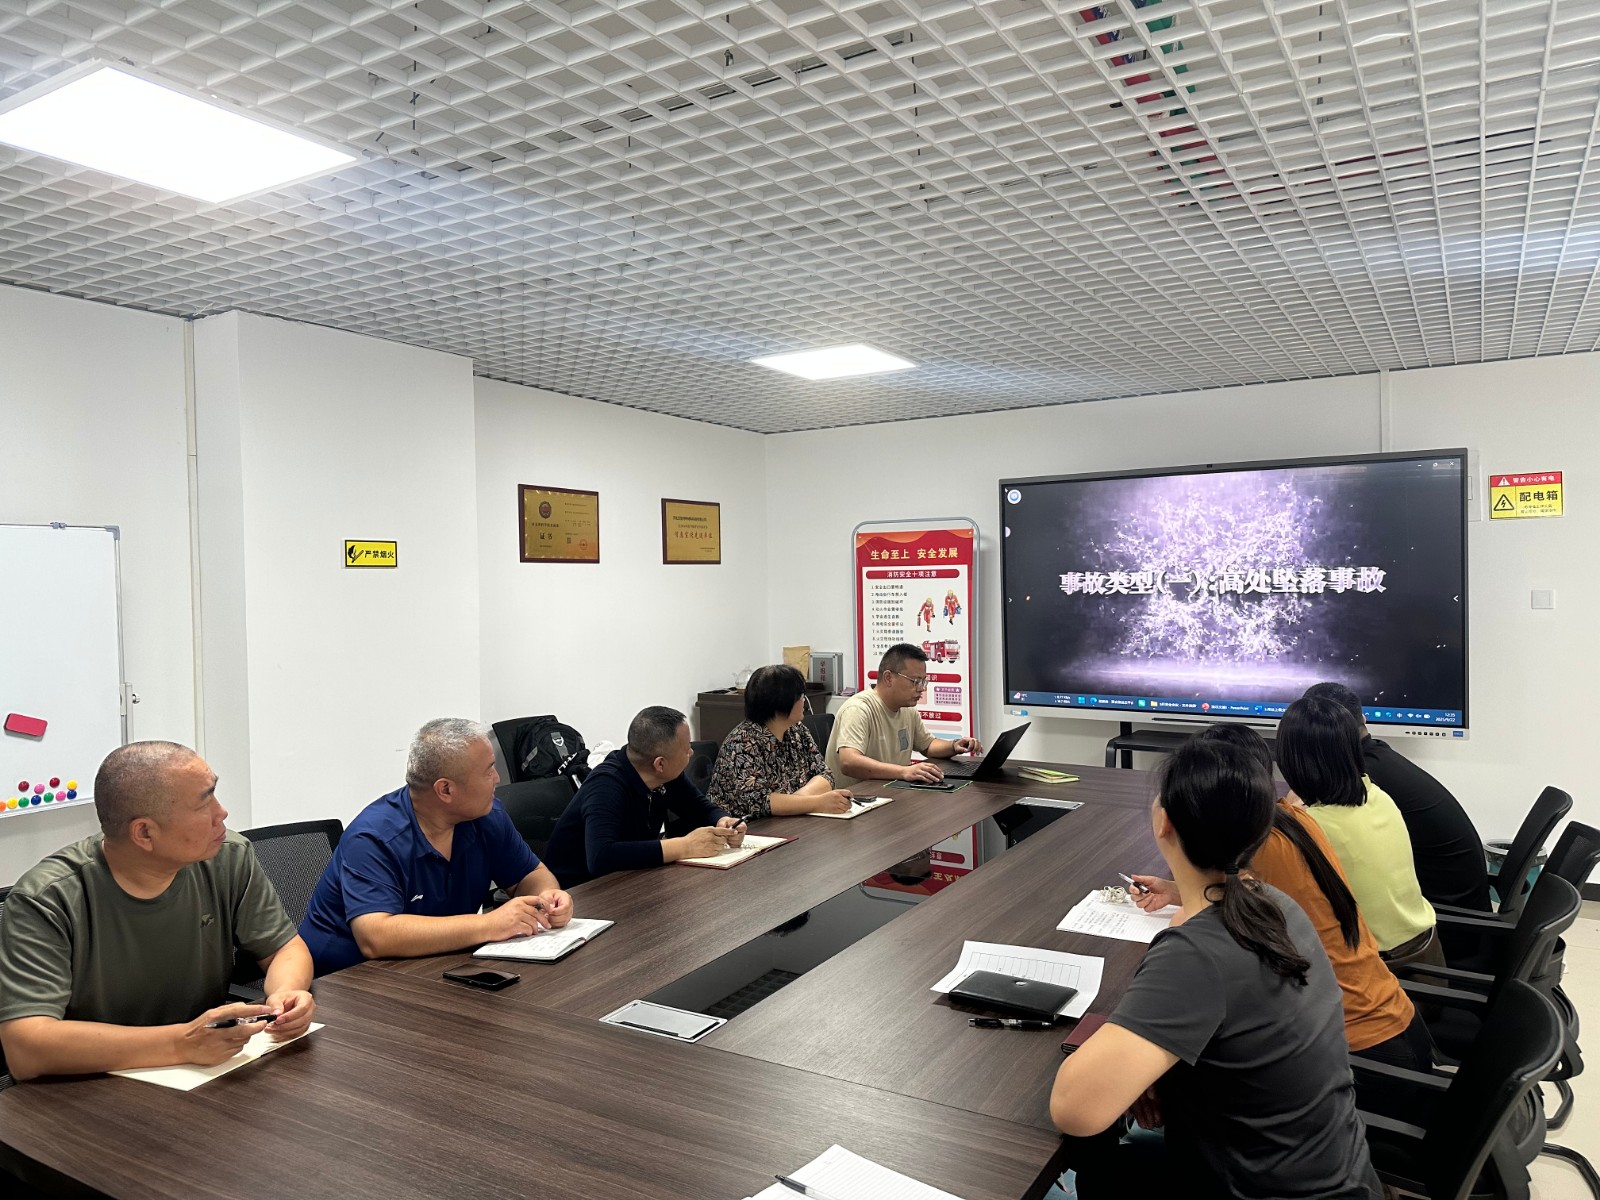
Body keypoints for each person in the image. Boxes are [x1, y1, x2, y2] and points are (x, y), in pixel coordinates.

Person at [1049, 738, 1382, 1200]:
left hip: (1261, 1190)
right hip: (1335, 1176)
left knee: (1086, 1160)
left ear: (1164, 822)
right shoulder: (1273, 904)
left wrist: (1136, 1063)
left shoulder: (1198, 954)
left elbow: (1075, 1109)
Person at [1133, 724, 1434, 1115]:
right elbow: (1242, 890)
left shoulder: (1260, 853)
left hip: (1360, 1058)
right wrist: (1175, 890)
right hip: (1395, 1025)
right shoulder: (1293, 821)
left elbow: (1203, 932)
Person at [0, 742, 316, 1081]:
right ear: (145, 833)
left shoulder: (228, 857)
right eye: (204, 803)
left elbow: (283, 948)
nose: (221, 812)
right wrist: (181, 1043)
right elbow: (25, 1048)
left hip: (199, 1073)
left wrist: (285, 993)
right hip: (88, 1085)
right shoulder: (47, 899)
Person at [299, 718, 573, 976]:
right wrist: (491, 924)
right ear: (445, 790)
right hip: (347, 981)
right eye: (488, 770)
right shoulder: (374, 838)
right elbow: (376, 936)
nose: (497, 778)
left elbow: (530, 875)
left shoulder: (486, 817)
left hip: (434, 966)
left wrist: (546, 899)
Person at [1276, 696, 1441, 966]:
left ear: (1289, 760)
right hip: (1429, 955)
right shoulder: (1377, 795)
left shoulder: (1309, 827)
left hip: (1383, 969)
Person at [1304, 681, 1491, 912]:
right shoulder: (1379, 757)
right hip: (1463, 899)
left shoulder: (1365, 780)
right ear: (1363, 719)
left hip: (1446, 914)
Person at [542, 706, 745, 887]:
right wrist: (685, 846)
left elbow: (699, 808)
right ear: (660, 764)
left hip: (631, 880)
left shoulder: (667, 776)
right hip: (580, 893)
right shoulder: (605, 785)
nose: (691, 752)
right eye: (686, 749)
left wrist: (723, 820)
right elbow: (601, 857)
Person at [824, 643, 981, 788]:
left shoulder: (907, 709)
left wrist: (954, 746)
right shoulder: (858, 709)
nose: (921, 688)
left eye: (923, 682)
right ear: (888, 678)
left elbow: (927, 745)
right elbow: (849, 762)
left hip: (890, 792)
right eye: (915, 681)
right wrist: (904, 771)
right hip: (854, 799)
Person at [706, 664, 853, 817]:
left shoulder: (797, 730)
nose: (804, 701)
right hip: (748, 827)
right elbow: (760, 803)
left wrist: (796, 802)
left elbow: (825, 775)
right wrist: (816, 803)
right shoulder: (742, 743)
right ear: (781, 702)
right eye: (800, 696)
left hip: (792, 819)